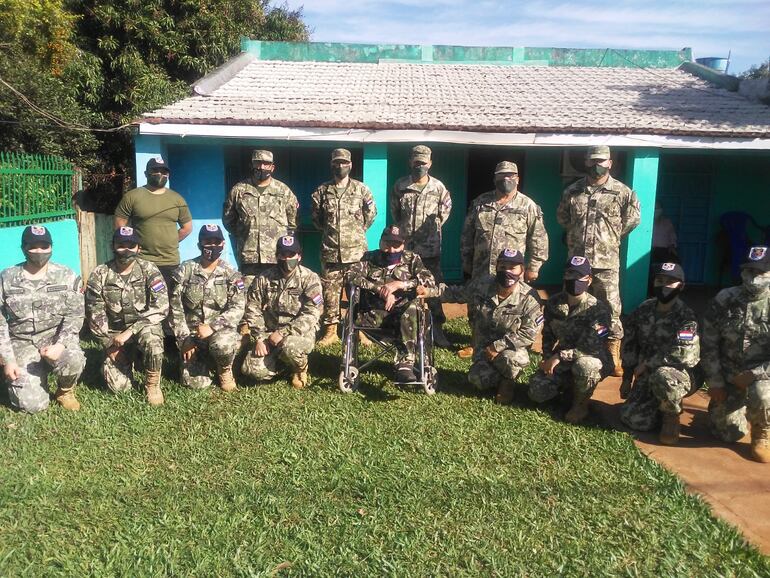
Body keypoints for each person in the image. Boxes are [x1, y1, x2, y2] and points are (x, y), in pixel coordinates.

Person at [557, 145, 641, 376]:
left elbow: (632, 220)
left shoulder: (623, 193)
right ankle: (570, 345)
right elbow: (563, 218)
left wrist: (609, 237)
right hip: (577, 261)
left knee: (610, 306)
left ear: (610, 163)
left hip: (606, 261)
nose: (597, 165)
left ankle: (612, 349)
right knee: (572, 305)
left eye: (602, 161)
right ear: (586, 162)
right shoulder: (572, 191)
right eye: (593, 160)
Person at [420, 248, 541, 404]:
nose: (507, 272)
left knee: (510, 359)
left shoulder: (529, 297)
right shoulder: (483, 285)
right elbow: (457, 293)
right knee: (477, 379)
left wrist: (498, 346)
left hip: (511, 349)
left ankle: (508, 383)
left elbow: (528, 333)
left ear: (521, 270)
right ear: (496, 267)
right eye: (503, 267)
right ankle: (498, 377)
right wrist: (429, 292)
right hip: (483, 349)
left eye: (512, 268)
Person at [458, 161, 548, 359]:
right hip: (482, 268)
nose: (506, 180)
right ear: (494, 179)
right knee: (477, 307)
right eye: (501, 176)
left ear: (517, 178)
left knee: (511, 310)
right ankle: (476, 343)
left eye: (510, 176)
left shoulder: (528, 205)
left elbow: (538, 237)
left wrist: (534, 266)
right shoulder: (480, 203)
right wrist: (466, 259)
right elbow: (467, 234)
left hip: (511, 271)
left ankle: (512, 344)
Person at [0, 225, 85, 413]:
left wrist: (61, 345)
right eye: (33, 246)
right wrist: (8, 359)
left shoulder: (67, 275)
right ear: (23, 248)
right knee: (33, 405)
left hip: (54, 339)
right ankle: (26, 375)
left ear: (51, 247)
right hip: (22, 343)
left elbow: (75, 314)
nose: (39, 251)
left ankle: (65, 391)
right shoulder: (6, 277)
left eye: (44, 246)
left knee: (74, 359)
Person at [85, 227, 168, 406]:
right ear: (113, 246)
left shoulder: (149, 269)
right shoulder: (100, 273)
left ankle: (152, 385)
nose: (126, 250)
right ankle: (128, 360)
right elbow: (94, 312)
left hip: (143, 328)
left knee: (153, 340)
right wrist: (109, 345)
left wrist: (131, 331)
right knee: (119, 388)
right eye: (121, 245)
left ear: (138, 248)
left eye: (131, 245)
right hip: (114, 336)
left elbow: (161, 307)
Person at [619, 262, 701, 445]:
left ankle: (671, 419)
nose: (664, 285)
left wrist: (649, 363)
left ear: (681, 286)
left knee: (663, 377)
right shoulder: (644, 308)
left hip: (679, 374)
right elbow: (630, 343)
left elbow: (685, 354)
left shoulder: (686, 316)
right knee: (634, 419)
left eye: (670, 281)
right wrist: (626, 377)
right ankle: (659, 404)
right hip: (646, 373)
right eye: (660, 280)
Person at [702, 246, 770, 463]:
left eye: (760, 273)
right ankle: (734, 408)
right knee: (727, 434)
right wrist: (715, 381)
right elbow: (709, 343)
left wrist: (755, 374)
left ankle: (762, 432)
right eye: (749, 271)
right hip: (729, 374)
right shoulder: (725, 298)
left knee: (763, 396)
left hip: (763, 375)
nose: (753, 278)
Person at [528, 256, 613, 424]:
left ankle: (580, 405)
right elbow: (548, 334)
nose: (574, 280)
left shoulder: (599, 309)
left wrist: (559, 357)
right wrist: (546, 358)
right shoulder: (554, 303)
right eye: (570, 275)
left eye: (579, 276)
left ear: (589, 280)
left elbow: (592, 346)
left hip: (593, 357)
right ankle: (568, 388)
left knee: (585, 366)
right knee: (537, 392)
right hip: (563, 357)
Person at [347, 225, 436, 383]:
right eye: (387, 243)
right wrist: (380, 289)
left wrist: (401, 285)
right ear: (380, 242)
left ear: (403, 244)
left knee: (413, 307)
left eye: (396, 245)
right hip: (373, 315)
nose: (391, 249)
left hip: (405, 315)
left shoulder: (412, 259)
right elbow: (350, 275)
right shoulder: (369, 258)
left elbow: (428, 280)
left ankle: (406, 364)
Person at [312, 148, 377, 346]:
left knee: (358, 294)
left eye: (344, 162)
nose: (340, 166)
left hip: (356, 254)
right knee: (330, 294)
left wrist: (355, 233)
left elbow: (371, 215)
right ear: (332, 164)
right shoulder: (321, 191)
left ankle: (360, 330)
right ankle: (331, 331)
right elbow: (317, 220)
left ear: (350, 165)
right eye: (336, 162)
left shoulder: (361, 190)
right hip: (331, 253)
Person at [390, 145, 453, 348]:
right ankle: (404, 328)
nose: (420, 166)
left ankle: (437, 330)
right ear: (410, 162)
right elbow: (396, 214)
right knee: (404, 288)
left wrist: (429, 235)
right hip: (406, 250)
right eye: (416, 162)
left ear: (430, 164)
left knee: (432, 290)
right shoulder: (400, 186)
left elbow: (444, 214)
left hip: (430, 250)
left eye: (423, 163)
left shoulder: (439, 188)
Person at [170, 224, 246, 391]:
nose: (212, 246)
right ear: (199, 245)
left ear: (223, 245)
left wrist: (213, 327)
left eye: (216, 242)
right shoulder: (185, 270)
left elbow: (238, 307)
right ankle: (204, 361)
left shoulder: (231, 273)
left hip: (220, 333)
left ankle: (224, 370)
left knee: (223, 344)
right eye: (207, 241)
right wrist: (185, 340)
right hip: (192, 336)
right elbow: (175, 308)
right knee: (196, 385)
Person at [241, 235, 322, 389]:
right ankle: (282, 365)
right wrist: (258, 337)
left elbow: (312, 313)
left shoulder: (310, 278)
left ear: (299, 256)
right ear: (277, 255)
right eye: (283, 254)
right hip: (270, 332)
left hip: (299, 332)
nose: (287, 259)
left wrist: (284, 332)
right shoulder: (264, 278)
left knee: (290, 346)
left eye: (291, 255)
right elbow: (252, 307)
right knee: (251, 370)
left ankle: (300, 368)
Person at [114, 157, 193, 289]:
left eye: (164, 171)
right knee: (141, 302)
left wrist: (171, 241)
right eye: (155, 170)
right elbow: (119, 225)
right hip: (141, 260)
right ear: (146, 173)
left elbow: (187, 227)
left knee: (169, 302)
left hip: (170, 261)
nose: (160, 174)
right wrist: (132, 245)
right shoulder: (132, 196)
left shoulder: (177, 199)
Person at [222, 149, 299, 283]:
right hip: (249, 257)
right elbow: (228, 220)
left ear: (272, 167)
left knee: (275, 297)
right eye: (258, 163)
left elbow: (293, 222)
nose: (261, 167)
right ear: (252, 165)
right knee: (250, 297)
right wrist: (245, 234)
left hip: (276, 257)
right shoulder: (239, 190)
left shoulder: (283, 191)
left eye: (266, 164)